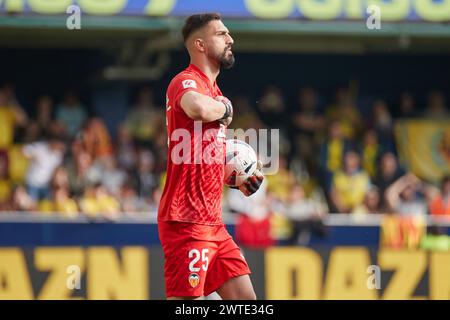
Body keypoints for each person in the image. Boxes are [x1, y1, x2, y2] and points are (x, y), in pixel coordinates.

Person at [157, 13, 263, 300]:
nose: (231, 39)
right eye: (222, 34)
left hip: (213, 223)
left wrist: (240, 174)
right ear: (200, 45)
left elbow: (205, 151)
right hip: (187, 222)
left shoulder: (213, 90)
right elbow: (198, 109)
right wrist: (226, 109)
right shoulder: (186, 81)